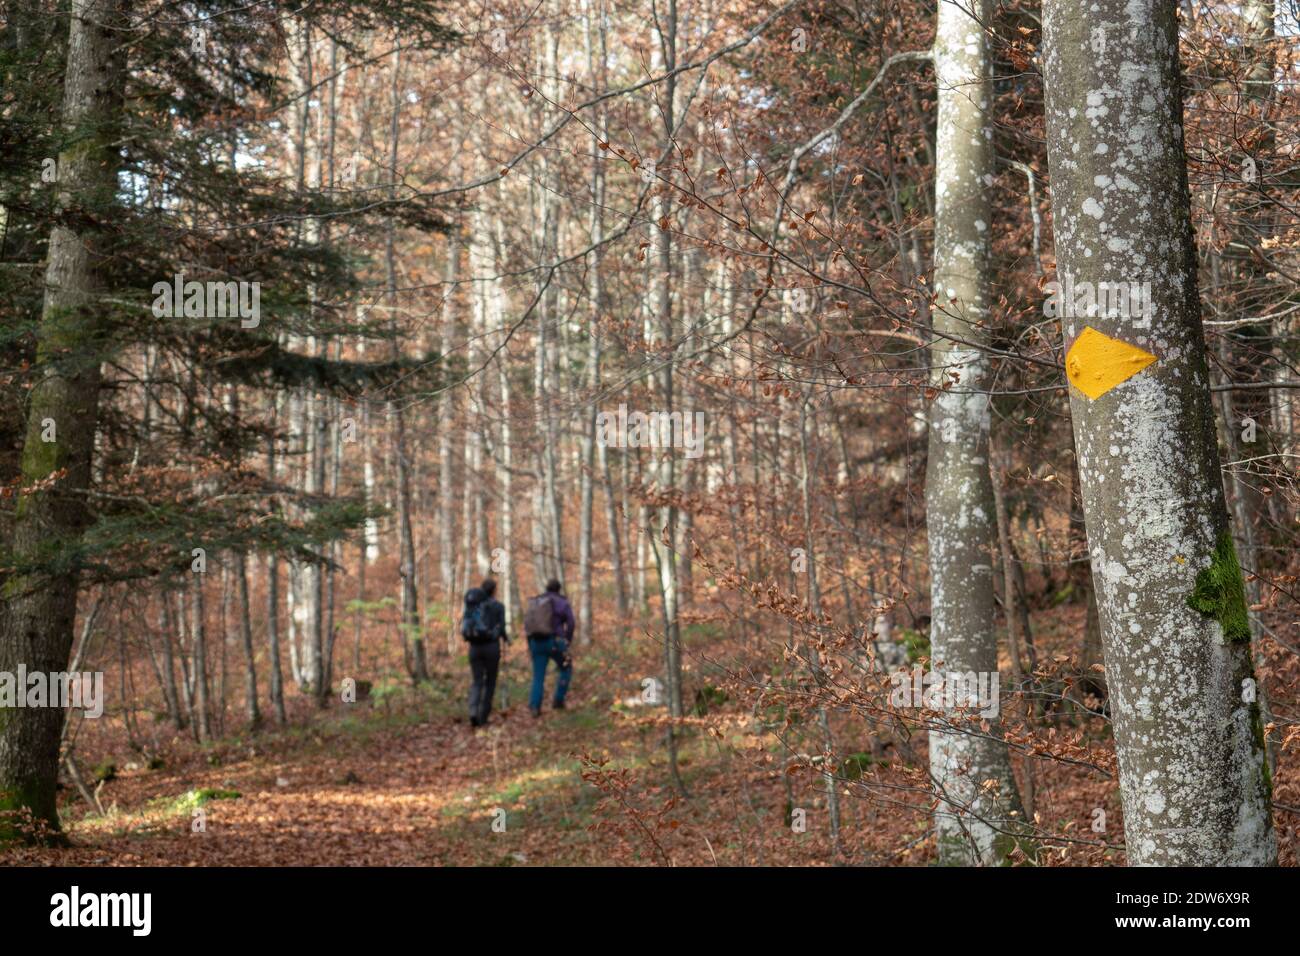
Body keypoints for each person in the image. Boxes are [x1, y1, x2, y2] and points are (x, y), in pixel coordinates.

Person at [522, 578, 575, 718]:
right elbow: (571, 622)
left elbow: (528, 625)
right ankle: (558, 699)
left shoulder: (538, 601)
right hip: (556, 642)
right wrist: (567, 640)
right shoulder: (562, 602)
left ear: (546, 588)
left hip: (536, 642)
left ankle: (535, 706)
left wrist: (530, 645)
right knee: (566, 667)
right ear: (559, 589)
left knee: (538, 676)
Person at [462, 578, 507, 728]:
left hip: (474, 648)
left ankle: (473, 711)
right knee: (490, 682)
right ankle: (483, 716)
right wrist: (506, 639)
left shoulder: (474, 606)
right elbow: (501, 627)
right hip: (492, 648)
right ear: (494, 590)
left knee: (477, 681)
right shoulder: (498, 606)